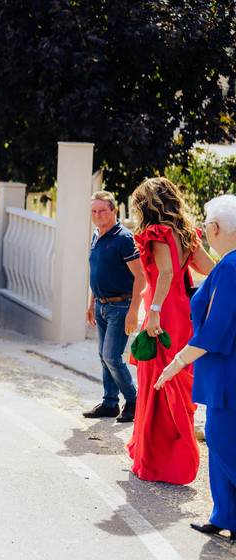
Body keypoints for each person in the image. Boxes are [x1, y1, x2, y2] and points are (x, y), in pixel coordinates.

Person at [155, 195, 236, 541]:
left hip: (227, 374)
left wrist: (175, 362)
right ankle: (224, 515)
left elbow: (215, 330)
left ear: (216, 228)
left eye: (205, 224)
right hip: (222, 372)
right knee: (219, 445)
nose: (203, 229)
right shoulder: (228, 264)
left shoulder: (231, 267)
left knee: (222, 440)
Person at [127, 177, 214, 484]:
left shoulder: (158, 232)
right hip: (180, 313)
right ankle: (167, 454)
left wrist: (153, 312)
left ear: (148, 204)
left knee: (158, 383)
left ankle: (161, 461)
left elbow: (164, 273)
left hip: (163, 312)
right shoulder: (185, 232)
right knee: (172, 379)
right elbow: (209, 268)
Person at [83, 191, 146, 423]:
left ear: (113, 211)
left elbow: (140, 277)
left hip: (121, 307)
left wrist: (134, 311)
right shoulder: (96, 236)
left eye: (102, 210)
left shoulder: (124, 238)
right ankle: (110, 403)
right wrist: (91, 303)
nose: (97, 215)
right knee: (103, 355)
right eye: (94, 211)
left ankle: (133, 399)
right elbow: (97, 273)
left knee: (111, 356)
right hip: (101, 305)